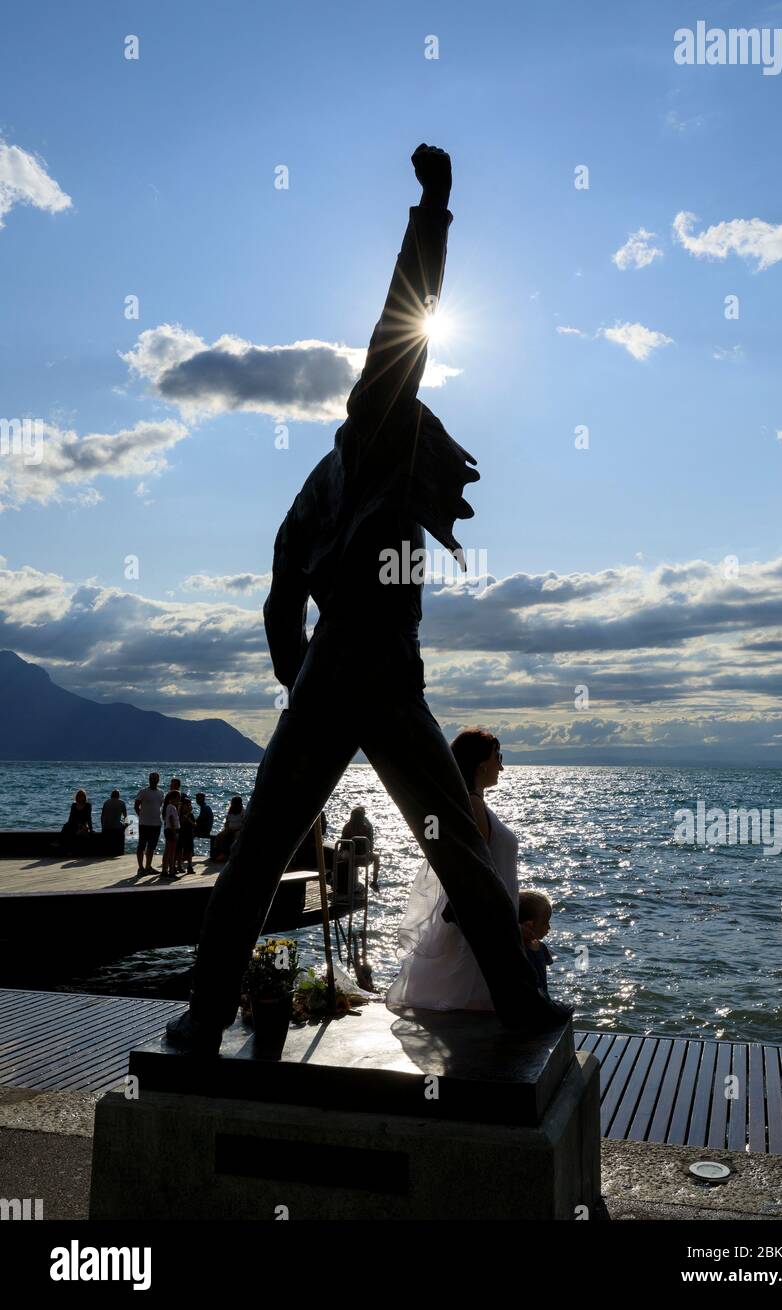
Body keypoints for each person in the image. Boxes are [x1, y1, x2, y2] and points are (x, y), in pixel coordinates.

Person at [166, 144, 571, 1054]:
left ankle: (204, 1012)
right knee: (454, 850)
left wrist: (298, 681)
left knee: (266, 843)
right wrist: (434, 210)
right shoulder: (380, 425)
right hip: (379, 672)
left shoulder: (315, 487)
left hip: (332, 672)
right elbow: (405, 316)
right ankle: (517, 1004)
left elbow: (278, 596)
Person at [386, 728, 517, 1011]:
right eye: (498, 757)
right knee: (475, 992)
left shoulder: (472, 801)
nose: (502, 766)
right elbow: (480, 865)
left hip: (493, 908)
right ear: (482, 764)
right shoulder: (472, 803)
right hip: (486, 910)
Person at [337, 805, 380, 896]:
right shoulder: (348, 827)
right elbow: (343, 844)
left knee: (376, 857)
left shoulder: (366, 827)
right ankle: (342, 883)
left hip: (361, 855)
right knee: (344, 857)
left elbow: (369, 845)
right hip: (350, 854)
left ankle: (374, 881)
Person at [519, 891, 554, 998]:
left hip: (543, 998)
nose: (549, 927)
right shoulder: (519, 949)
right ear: (529, 925)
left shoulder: (542, 947)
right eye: (545, 922)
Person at [134, 773, 163, 873]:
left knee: (151, 847)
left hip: (156, 824)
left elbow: (160, 806)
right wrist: (141, 816)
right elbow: (136, 805)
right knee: (141, 846)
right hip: (144, 824)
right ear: (149, 779)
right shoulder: (143, 792)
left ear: (158, 780)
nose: (153, 780)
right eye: (151, 778)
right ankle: (140, 868)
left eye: (155, 778)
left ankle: (148, 867)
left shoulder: (161, 792)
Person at [211, 797, 244, 863]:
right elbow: (227, 822)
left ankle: (233, 855)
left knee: (236, 837)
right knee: (219, 836)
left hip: (238, 830)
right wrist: (226, 829)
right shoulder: (230, 812)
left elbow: (244, 823)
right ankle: (219, 854)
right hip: (230, 829)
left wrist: (237, 829)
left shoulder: (243, 812)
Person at [161, 790, 182, 878]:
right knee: (171, 852)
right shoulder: (171, 807)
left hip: (169, 830)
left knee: (167, 851)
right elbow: (171, 819)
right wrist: (174, 831)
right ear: (172, 798)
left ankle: (165, 871)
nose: (178, 800)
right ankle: (171, 871)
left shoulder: (170, 807)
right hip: (171, 830)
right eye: (177, 798)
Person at [100, 789, 128, 854]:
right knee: (123, 826)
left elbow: (102, 816)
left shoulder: (106, 802)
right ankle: (120, 850)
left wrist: (103, 827)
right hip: (117, 827)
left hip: (107, 827)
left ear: (111, 795)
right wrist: (126, 825)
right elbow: (125, 816)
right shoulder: (121, 803)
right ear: (118, 796)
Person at [178, 795, 196, 874]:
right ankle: (179, 865)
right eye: (187, 805)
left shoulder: (190, 814)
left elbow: (194, 824)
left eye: (190, 805)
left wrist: (188, 816)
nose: (189, 806)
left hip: (189, 834)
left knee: (189, 850)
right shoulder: (179, 814)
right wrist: (186, 816)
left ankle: (189, 866)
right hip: (182, 834)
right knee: (180, 850)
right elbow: (180, 823)